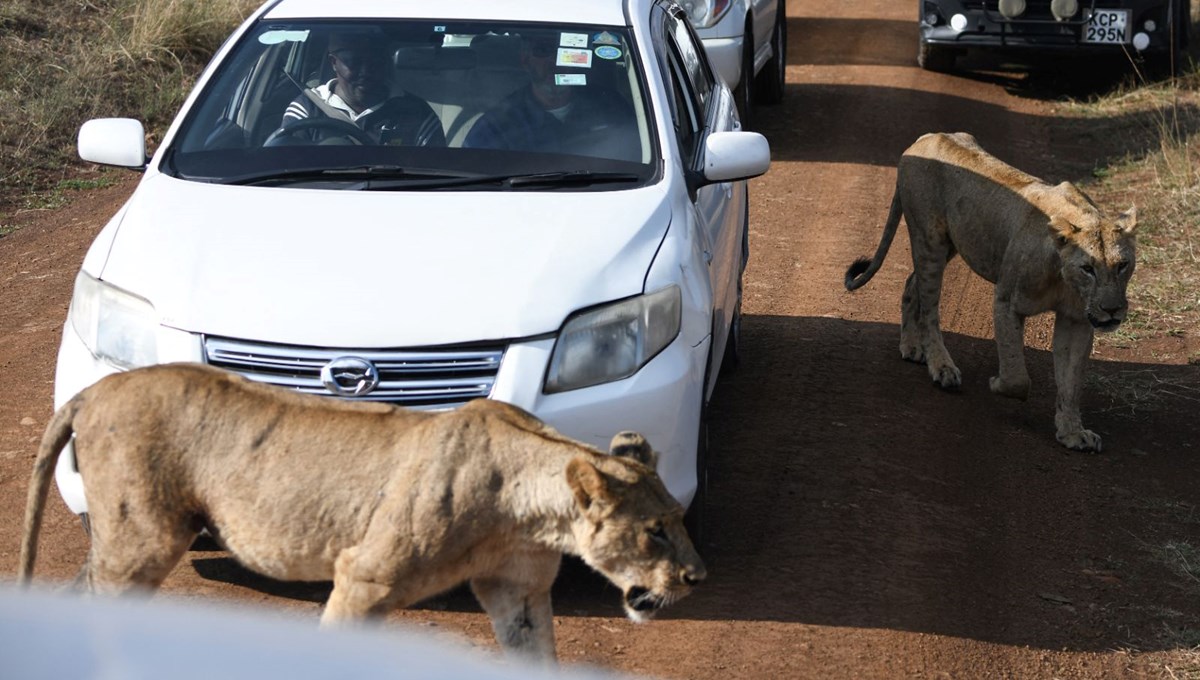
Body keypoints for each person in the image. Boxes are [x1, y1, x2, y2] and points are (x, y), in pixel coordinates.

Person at [462, 33, 633, 156]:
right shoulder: (496, 127)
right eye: (543, 50)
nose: (556, 60)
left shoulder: (612, 107)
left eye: (567, 51)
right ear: (525, 60)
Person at [271, 30, 446, 147]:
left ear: (385, 62)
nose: (366, 72)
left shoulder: (417, 113)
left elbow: (439, 171)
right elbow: (285, 164)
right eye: (354, 61)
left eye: (374, 61)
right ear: (334, 63)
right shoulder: (307, 108)